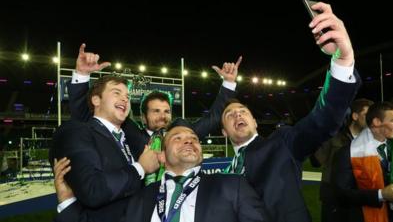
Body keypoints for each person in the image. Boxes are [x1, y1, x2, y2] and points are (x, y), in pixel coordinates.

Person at [220, 2, 361, 222]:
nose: (238, 115)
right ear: (224, 132)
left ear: (256, 122)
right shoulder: (226, 173)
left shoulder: (281, 143)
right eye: (230, 115)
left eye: (243, 111)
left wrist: (343, 60)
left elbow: (322, 121)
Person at [53, 118, 268, 222]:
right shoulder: (140, 197)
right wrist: (67, 201)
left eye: (194, 139)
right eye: (178, 138)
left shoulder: (232, 185)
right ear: (162, 157)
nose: (188, 141)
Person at [68, 43, 239, 156]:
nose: (163, 116)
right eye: (156, 111)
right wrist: (82, 75)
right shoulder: (129, 133)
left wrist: (228, 82)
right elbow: (85, 116)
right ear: (143, 117)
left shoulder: (183, 133)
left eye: (166, 111)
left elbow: (214, 117)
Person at [50, 75, 160, 222]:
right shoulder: (77, 132)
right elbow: (93, 190)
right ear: (96, 100)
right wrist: (140, 168)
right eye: (116, 93)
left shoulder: (130, 136)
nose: (125, 99)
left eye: (127, 96)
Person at [332, 102, 393, 222]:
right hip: (363, 216)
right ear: (377, 122)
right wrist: (381, 194)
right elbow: (341, 194)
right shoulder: (346, 153)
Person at [309, 98, 373, 222]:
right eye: (366, 115)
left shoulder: (371, 140)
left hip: (359, 196)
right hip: (334, 197)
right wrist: (316, 137)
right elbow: (316, 162)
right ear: (355, 116)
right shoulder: (333, 136)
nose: (370, 119)